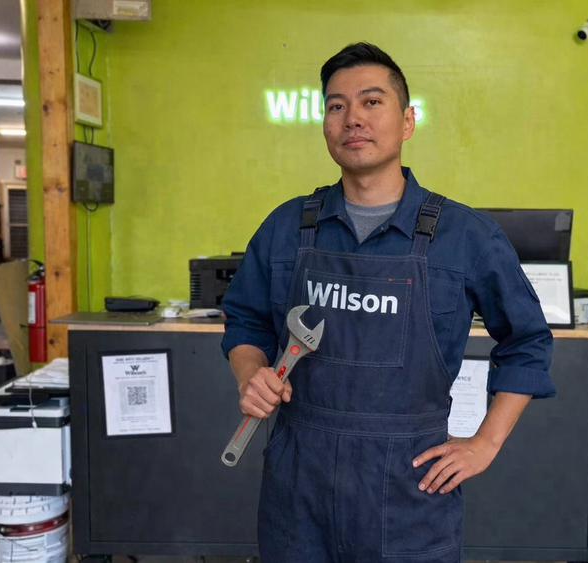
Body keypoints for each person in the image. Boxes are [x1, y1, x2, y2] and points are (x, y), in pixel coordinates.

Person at [221, 42, 554, 563]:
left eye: (372, 102)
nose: (353, 117)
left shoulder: (465, 236)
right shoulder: (287, 227)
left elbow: (528, 342)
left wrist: (485, 442)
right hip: (297, 481)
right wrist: (250, 373)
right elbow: (244, 322)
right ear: (326, 124)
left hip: (409, 488)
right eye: (336, 105)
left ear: (407, 121)